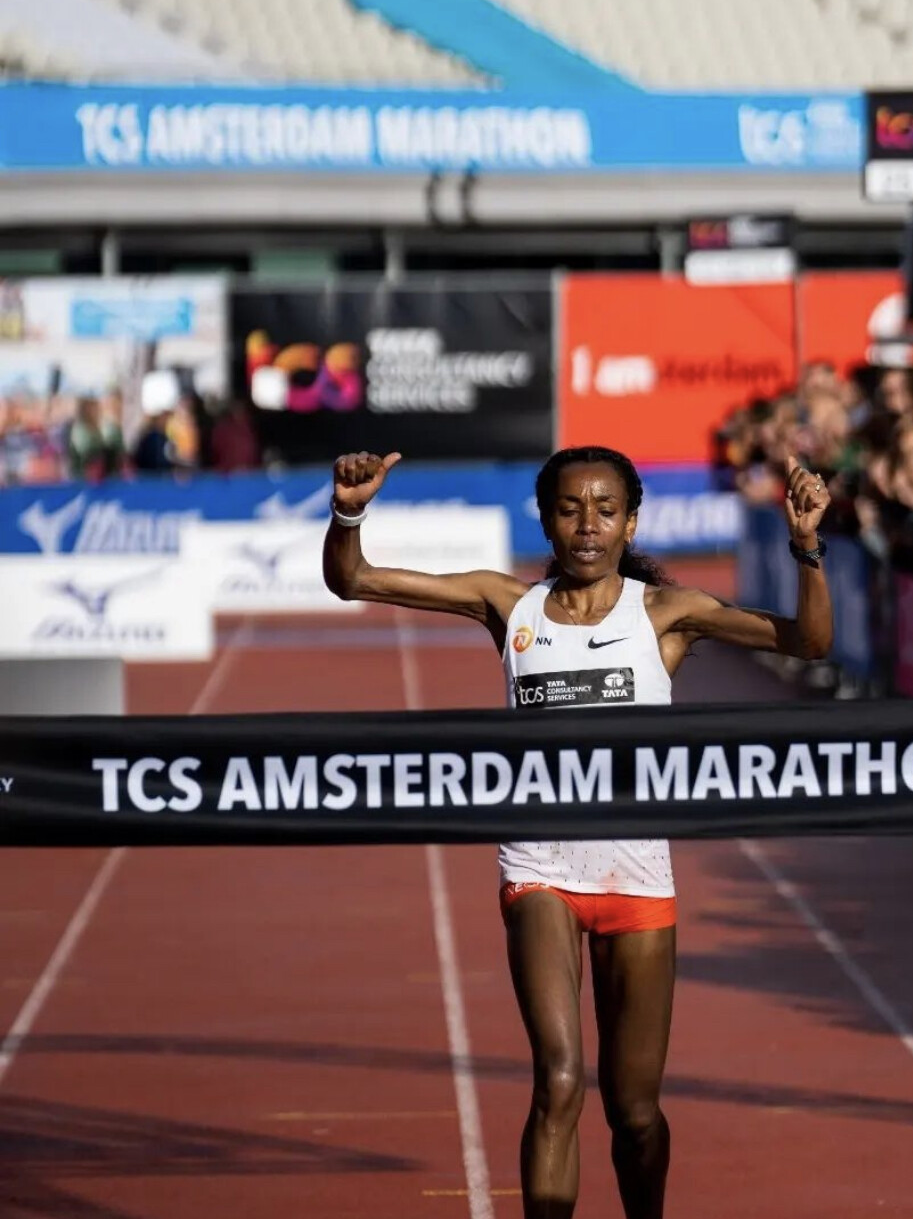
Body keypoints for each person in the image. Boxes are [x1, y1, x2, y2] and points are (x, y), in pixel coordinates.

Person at [323, 444, 833, 1219]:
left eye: (604, 510)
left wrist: (807, 546)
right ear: (545, 520)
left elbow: (809, 642)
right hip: (541, 871)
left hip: (638, 880)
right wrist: (348, 512)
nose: (587, 525)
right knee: (559, 1081)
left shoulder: (666, 614)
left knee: (634, 1112)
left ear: (631, 524)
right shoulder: (508, 604)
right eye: (569, 509)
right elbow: (354, 578)